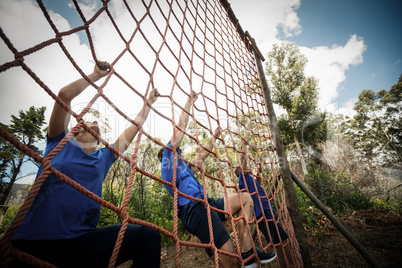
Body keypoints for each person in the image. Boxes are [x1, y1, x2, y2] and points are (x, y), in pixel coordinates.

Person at [11, 61, 161, 268]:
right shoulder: (58, 142)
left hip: (80, 244)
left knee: (147, 237)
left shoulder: (104, 158)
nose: (94, 122)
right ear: (75, 129)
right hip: (32, 241)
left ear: (99, 141)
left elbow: (133, 128)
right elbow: (64, 96)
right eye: (88, 121)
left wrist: (149, 105)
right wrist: (95, 75)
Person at [158, 91, 276, 268]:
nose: (180, 151)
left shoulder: (185, 168)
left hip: (207, 202)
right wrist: (189, 102)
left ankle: (248, 254)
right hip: (192, 208)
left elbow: (202, 155)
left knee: (245, 199)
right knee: (229, 258)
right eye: (178, 150)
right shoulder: (167, 159)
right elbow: (181, 127)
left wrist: (214, 138)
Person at [235, 137, 294, 268]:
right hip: (263, 215)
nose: (244, 168)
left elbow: (258, 185)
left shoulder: (250, 180)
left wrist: (259, 172)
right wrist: (243, 145)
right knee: (281, 245)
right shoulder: (243, 178)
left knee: (282, 243)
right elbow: (243, 162)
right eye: (241, 168)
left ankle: (290, 263)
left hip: (267, 212)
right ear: (240, 172)